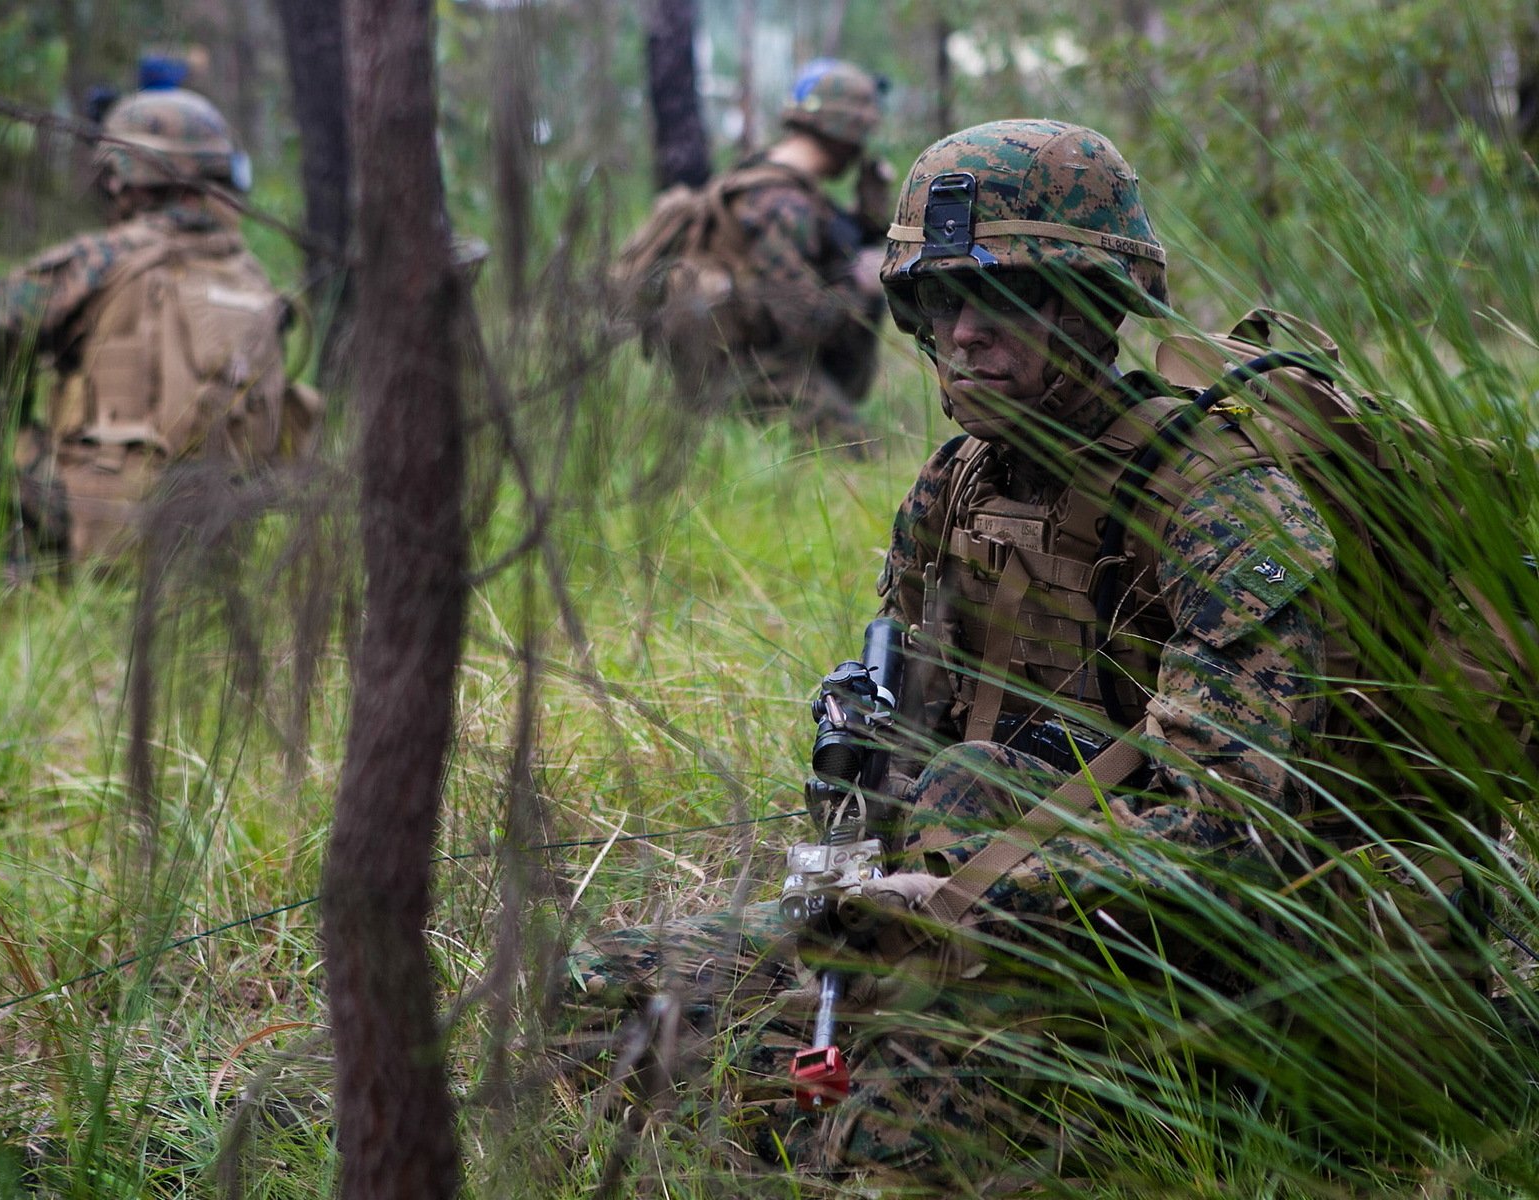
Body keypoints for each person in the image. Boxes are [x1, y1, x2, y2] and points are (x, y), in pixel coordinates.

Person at [568, 117, 1454, 1183]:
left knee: (889, 1129)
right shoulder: (959, 486)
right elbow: (916, 743)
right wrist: (856, 819)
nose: (964, 334)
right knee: (599, 986)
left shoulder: (1227, 509)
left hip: (1206, 953)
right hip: (962, 913)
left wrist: (963, 902)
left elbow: (1232, 837)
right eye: (937, 302)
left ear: (1095, 307)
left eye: (1006, 298)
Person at [0, 87, 316, 575]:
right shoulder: (255, 279)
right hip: (221, 542)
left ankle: (33, 576)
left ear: (125, 179)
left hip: (116, 534)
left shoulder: (105, 259)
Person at [628, 59, 894, 447]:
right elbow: (805, 319)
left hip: (742, 361)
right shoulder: (782, 203)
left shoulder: (760, 175)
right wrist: (861, 284)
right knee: (860, 455)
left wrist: (870, 218)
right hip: (754, 373)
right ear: (847, 131)